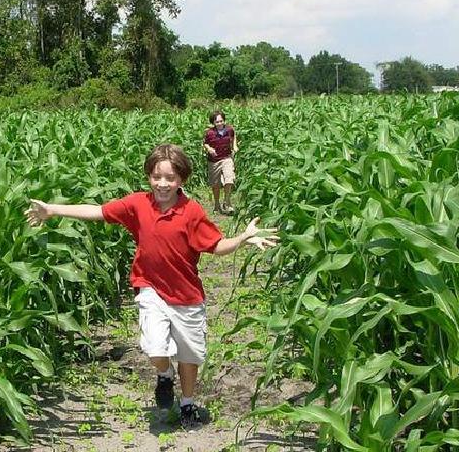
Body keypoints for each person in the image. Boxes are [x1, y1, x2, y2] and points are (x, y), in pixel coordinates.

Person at [26, 143, 278, 428]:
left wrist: (242, 238)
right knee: (155, 347)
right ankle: (164, 375)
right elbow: (98, 211)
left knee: (190, 356)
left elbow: (216, 245)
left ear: (181, 179)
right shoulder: (137, 204)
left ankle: (187, 405)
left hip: (186, 295)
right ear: (149, 176)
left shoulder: (192, 211)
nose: (162, 183)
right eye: (157, 176)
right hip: (151, 289)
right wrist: (52, 210)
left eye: (170, 178)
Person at [202, 111, 237, 214]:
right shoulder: (210, 133)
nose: (220, 123)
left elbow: (234, 136)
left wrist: (234, 146)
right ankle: (217, 204)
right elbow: (205, 143)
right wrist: (209, 149)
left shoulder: (229, 129)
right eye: (217, 122)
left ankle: (227, 201)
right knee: (215, 184)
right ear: (213, 122)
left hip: (227, 158)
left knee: (229, 179)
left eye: (221, 121)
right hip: (214, 161)